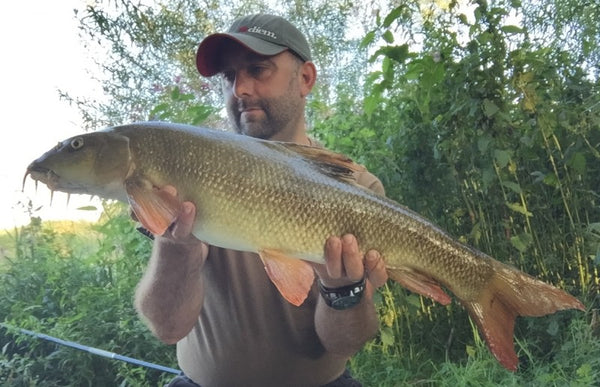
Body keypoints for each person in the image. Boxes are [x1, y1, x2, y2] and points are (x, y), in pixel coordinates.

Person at [134, 14, 388, 387]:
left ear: (306, 79)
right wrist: (176, 246)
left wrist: (342, 292)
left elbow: (345, 341)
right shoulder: (190, 172)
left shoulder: (358, 188)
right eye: (229, 77)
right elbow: (168, 327)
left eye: (258, 69)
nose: (240, 89)